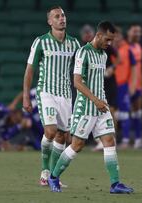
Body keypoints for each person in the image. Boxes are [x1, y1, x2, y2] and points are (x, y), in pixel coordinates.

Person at [47, 21, 134, 194]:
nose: (109, 43)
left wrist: (102, 101)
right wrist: (95, 100)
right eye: (108, 39)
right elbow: (77, 83)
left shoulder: (103, 55)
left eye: (112, 40)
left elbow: (97, 81)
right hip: (86, 106)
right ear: (99, 35)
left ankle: (115, 184)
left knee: (109, 141)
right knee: (77, 145)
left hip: (101, 106)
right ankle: (54, 177)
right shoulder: (83, 52)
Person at [22, 6, 80, 186]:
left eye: (63, 15)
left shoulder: (74, 44)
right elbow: (29, 70)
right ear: (50, 21)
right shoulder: (40, 42)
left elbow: (80, 71)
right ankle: (44, 171)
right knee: (51, 131)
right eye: (57, 16)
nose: (61, 18)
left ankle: (54, 177)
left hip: (65, 95)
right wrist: (25, 96)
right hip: (46, 92)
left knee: (62, 136)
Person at [79, 24, 120, 152]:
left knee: (111, 110)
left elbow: (118, 57)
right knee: (93, 112)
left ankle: (112, 138)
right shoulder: (83, 50)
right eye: (85, 33)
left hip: (108, 82)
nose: (87, 35)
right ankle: (100, 140)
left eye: (88, 33)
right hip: (93, 85)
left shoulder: (105, 45)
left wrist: (112, 68)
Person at [113, 27, 137, 149]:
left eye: (117, 36)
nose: (115, 38)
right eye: (113, 36)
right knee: (112, 114)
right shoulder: (109, 50)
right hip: (111, 87)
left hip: (123, 85)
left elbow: (134, 68)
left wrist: (132, 85)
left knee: (124, 114)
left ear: (121, 36)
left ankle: (126, 140)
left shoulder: (127, 50)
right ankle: (112, 140)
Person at [127, 24, 142, 149]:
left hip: (138, 84)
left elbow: (139, 69)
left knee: (138, 112)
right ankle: (124, 139)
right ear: (129, 32)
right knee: (123, 114)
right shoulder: (125, 48)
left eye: (139, 32)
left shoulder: (139, 47)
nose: (138, 34)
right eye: (135, 31)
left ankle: (138, 140)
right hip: (127, 85)